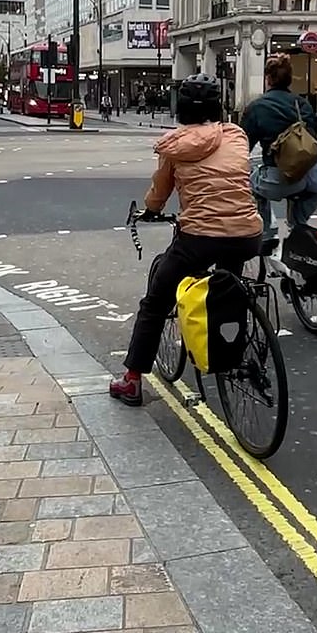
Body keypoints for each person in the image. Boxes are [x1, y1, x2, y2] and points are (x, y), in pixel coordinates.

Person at [110, 74, 262, 406]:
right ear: (217, 106)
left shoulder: (174, 146)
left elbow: (159, 193)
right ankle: (232, 352)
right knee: (229, 288)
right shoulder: (236, 135)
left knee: (155, 303)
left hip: (200, 237)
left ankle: (133, 380)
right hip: (248, 233)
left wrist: (150, 210)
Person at [241, 54, 317, 250]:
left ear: (268, 79)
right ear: (290, 79)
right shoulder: (302, 104)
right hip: (316, 177)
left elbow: (242, 146)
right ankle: (299, 230)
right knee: (301, 214)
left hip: (282, 180)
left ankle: (268, 231)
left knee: (249, 183)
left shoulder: (257, 107)